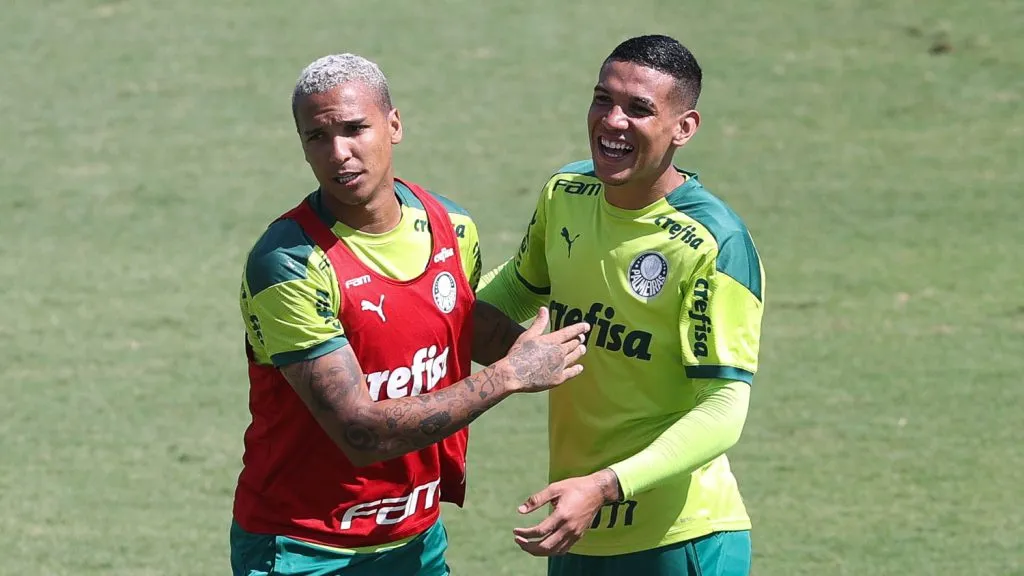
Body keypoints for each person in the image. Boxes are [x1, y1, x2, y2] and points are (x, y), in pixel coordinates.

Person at [230, 53, 590, 576]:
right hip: (304, 549)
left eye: (356, 129)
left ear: (394, 125)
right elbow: (361, 432)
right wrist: (510, 375)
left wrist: (578, 343)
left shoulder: (452, 226)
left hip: (415, 543)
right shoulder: (289, 263)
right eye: (317, 137)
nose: (339, 153)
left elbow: (456, 326)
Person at [477, 35, 765, 575]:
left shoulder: (711, 242)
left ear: (685, 127)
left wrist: (606, 485)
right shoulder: (566, 192)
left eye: (639, 109)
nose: (612, 122)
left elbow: (724, 407)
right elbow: (517, 288)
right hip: (577, 530)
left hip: (680, 541)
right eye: (602, 99)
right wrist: (423, 310)